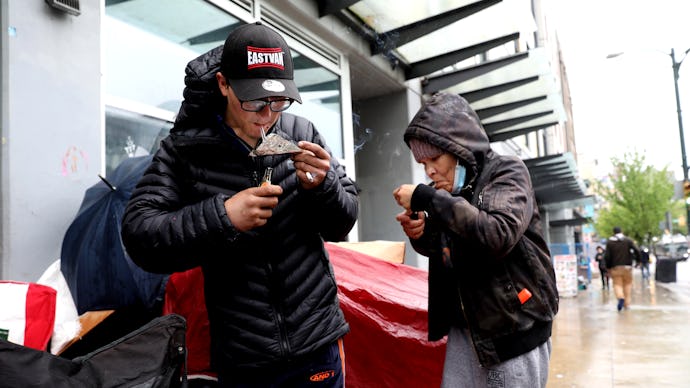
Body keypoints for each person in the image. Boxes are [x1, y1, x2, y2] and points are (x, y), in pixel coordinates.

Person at [121, 22, 359, 387]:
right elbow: (140, 234)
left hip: (317, 343)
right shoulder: (185, 150)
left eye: (278, 102)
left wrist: (323, 187)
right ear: (223, 85)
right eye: (254, 102)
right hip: (245, 358)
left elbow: (342, 225)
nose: (266, 116)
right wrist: (222, 217)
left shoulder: (302, 132)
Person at [392, 93, 559, 387]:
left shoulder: (507, 172)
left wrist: (427, 197)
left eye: (435, 159)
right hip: (466, 328)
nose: (429, 170)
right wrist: (422, 233)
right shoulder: (447, 191)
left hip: (513, 329)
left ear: (459, 149)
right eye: (422, 163)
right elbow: (449, 251)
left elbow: (496, 234)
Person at [604, 226, 640, 311]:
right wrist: (638, 261)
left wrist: (608, 267)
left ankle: (620, 297)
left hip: (615, 267)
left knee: (617, 285)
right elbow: (637, 250)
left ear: (613, 232)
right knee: (627, 284)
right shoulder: (628, 240)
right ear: (622, 231)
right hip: (627, 267)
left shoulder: (610, 242)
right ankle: (627, 304)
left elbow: (607, 256)